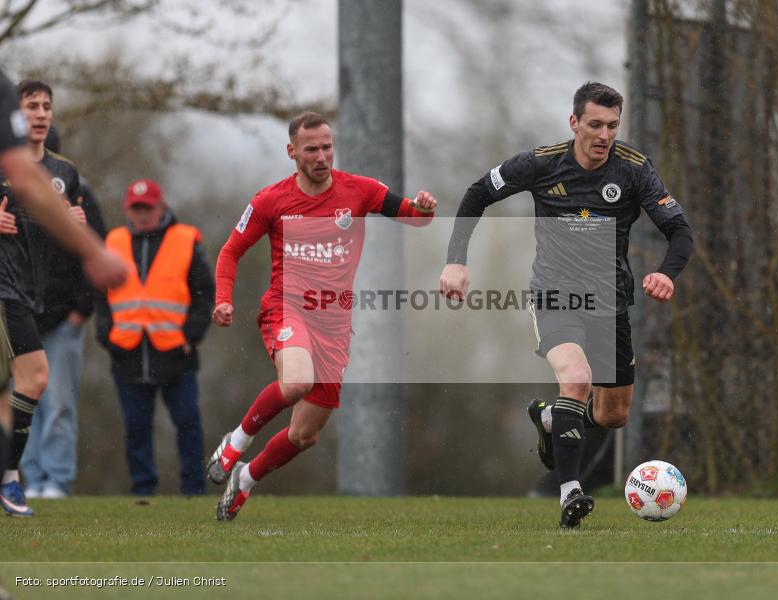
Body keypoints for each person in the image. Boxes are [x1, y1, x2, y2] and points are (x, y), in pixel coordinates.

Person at [439, 82, 693, 528]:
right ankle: (571, 493)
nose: (604, 135)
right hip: (554, 295)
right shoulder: (540, 163)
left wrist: (666, 274)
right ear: (574, 122)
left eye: (612, 126)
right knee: (576, 379)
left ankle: (552, 418)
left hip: (611, 303)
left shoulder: (633, 169)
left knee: (612, 416)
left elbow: (680, 231)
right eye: (594, 124)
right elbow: (478, 192)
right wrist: (456, 261)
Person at [208, 111, 436, 521]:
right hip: (286, 308)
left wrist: (423, 209)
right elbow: (230, 251)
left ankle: (245, 480)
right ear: (291, 152)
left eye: (327, 147)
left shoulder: (360, 191)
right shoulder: (270, 200)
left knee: (304, 434)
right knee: (296, 381)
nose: (321, 156)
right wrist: (223, 298)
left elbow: (412, 217)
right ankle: (236, 442)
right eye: (311, 149)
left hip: (333, 324)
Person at [0, 73, 126, 517]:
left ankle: (22, 477)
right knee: (32, 381)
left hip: (40, 299)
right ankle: (14, 477)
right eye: (30, 106)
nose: (38, 114)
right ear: (15, 113)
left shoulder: (65, 173)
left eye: (44, 107)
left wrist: (79, 231)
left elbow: (71, 228)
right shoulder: (8, 166)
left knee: (30, 390)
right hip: (6, 290)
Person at [94, 179, 214, 496]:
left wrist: (192, 336)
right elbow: (100, 294)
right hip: (127, 351)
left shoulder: (186, 239)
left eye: (148, 207)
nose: (143, 214)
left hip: (176, 352)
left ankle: (194, 489)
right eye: (137, 208)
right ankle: (143, 491)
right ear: (127, 210)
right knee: (135, 428)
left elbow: (204, 293)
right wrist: (106, 335)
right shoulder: (113, 241)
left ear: (161, 206)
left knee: (188, 423)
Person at [20, 126, 108, 499]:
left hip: (63, 318)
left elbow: (96, 252)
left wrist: (81, 309)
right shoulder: (12, 192)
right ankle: (32, 477)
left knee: (58, 404)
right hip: (21, 316)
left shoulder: (79, 193)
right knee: (25, 402)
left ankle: (55, 478)